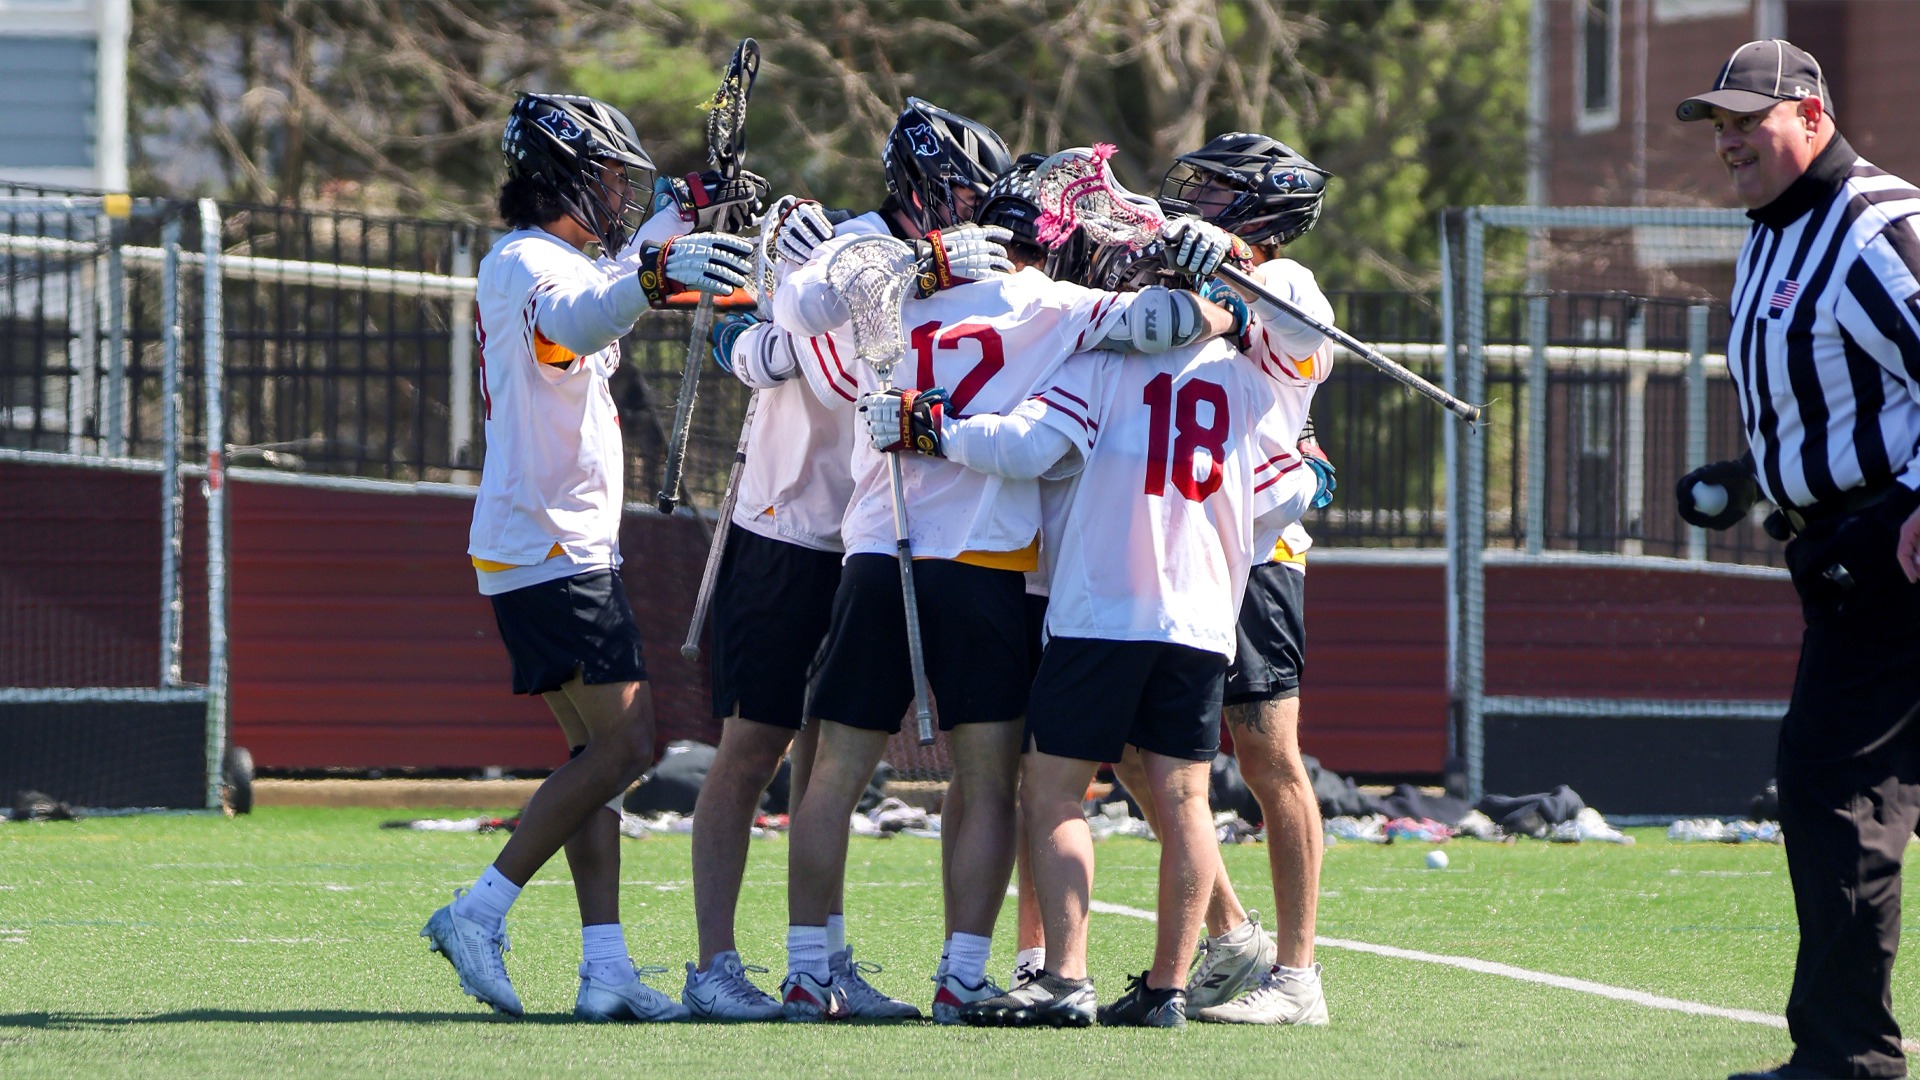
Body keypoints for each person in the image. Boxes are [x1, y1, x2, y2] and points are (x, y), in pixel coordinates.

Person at [772, 131, 1245, 1023]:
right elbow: (1166, 322)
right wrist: (1220, 294)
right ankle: (960, 974)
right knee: (986, 781)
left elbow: (796, 318)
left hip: (883, 546)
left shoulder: (897, 279)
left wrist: (907, 271)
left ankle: (807, 971)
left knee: (832, 772)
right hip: (986, 564)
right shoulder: (1049, 304)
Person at [878, 239, 1314, 1028]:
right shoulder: (1247, 380)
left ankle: (1064, 977)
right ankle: (1167, 990)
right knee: (1186, 800)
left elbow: (1026, 448)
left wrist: (933, 429)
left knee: (1051, 790)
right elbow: (1287, 497)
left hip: (1101, 612)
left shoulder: (1103, 366)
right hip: (1201, 621)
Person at [420, 91, 756, 1022]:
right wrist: (654, 277)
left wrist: (685, 205)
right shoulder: (530, 263)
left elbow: (616, 270)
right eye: (609, 175)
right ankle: (478, 911)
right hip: (552, 546)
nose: (621, 193)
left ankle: (604, 968)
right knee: (629, 747)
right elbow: (584, 314)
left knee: (592, 757)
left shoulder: (554, 258)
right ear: (564, 177)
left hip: (548, 542)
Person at [1671, 39, 1920, 1080]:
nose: (1729, 141)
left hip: (1894, 553)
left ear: (1810, 115)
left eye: (1747, 120)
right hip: (1840, 548)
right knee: (1840, 789)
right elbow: (1836, 400)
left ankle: (1849, 1055)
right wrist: (1756, 474)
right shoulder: (1773, 233)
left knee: (1833, 789)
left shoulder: (1874, 223)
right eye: (1717, 125)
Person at [1139, 131, 1338, 1026]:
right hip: (1171, 545)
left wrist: (1219, 259)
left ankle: (1297, 979)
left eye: (1217, 195)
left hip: (1255, 551)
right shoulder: (1171, 275)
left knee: (1266, 756)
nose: (1196, 204)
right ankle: (1230, 931)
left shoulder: (1286, 282)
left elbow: (1293, 325)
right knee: (1132, 748)